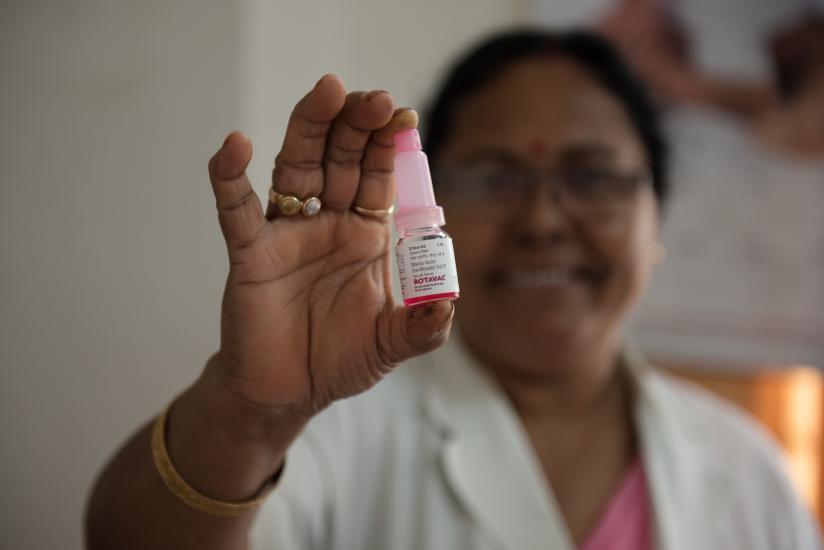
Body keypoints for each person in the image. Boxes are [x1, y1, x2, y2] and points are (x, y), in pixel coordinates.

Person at [84, 30, 821, 550]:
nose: (542, 220)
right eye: (496, 176)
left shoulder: (747, 468)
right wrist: (248, 413)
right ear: (423, 206)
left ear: (655, 212)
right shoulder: (330, 431)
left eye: (592, 176)